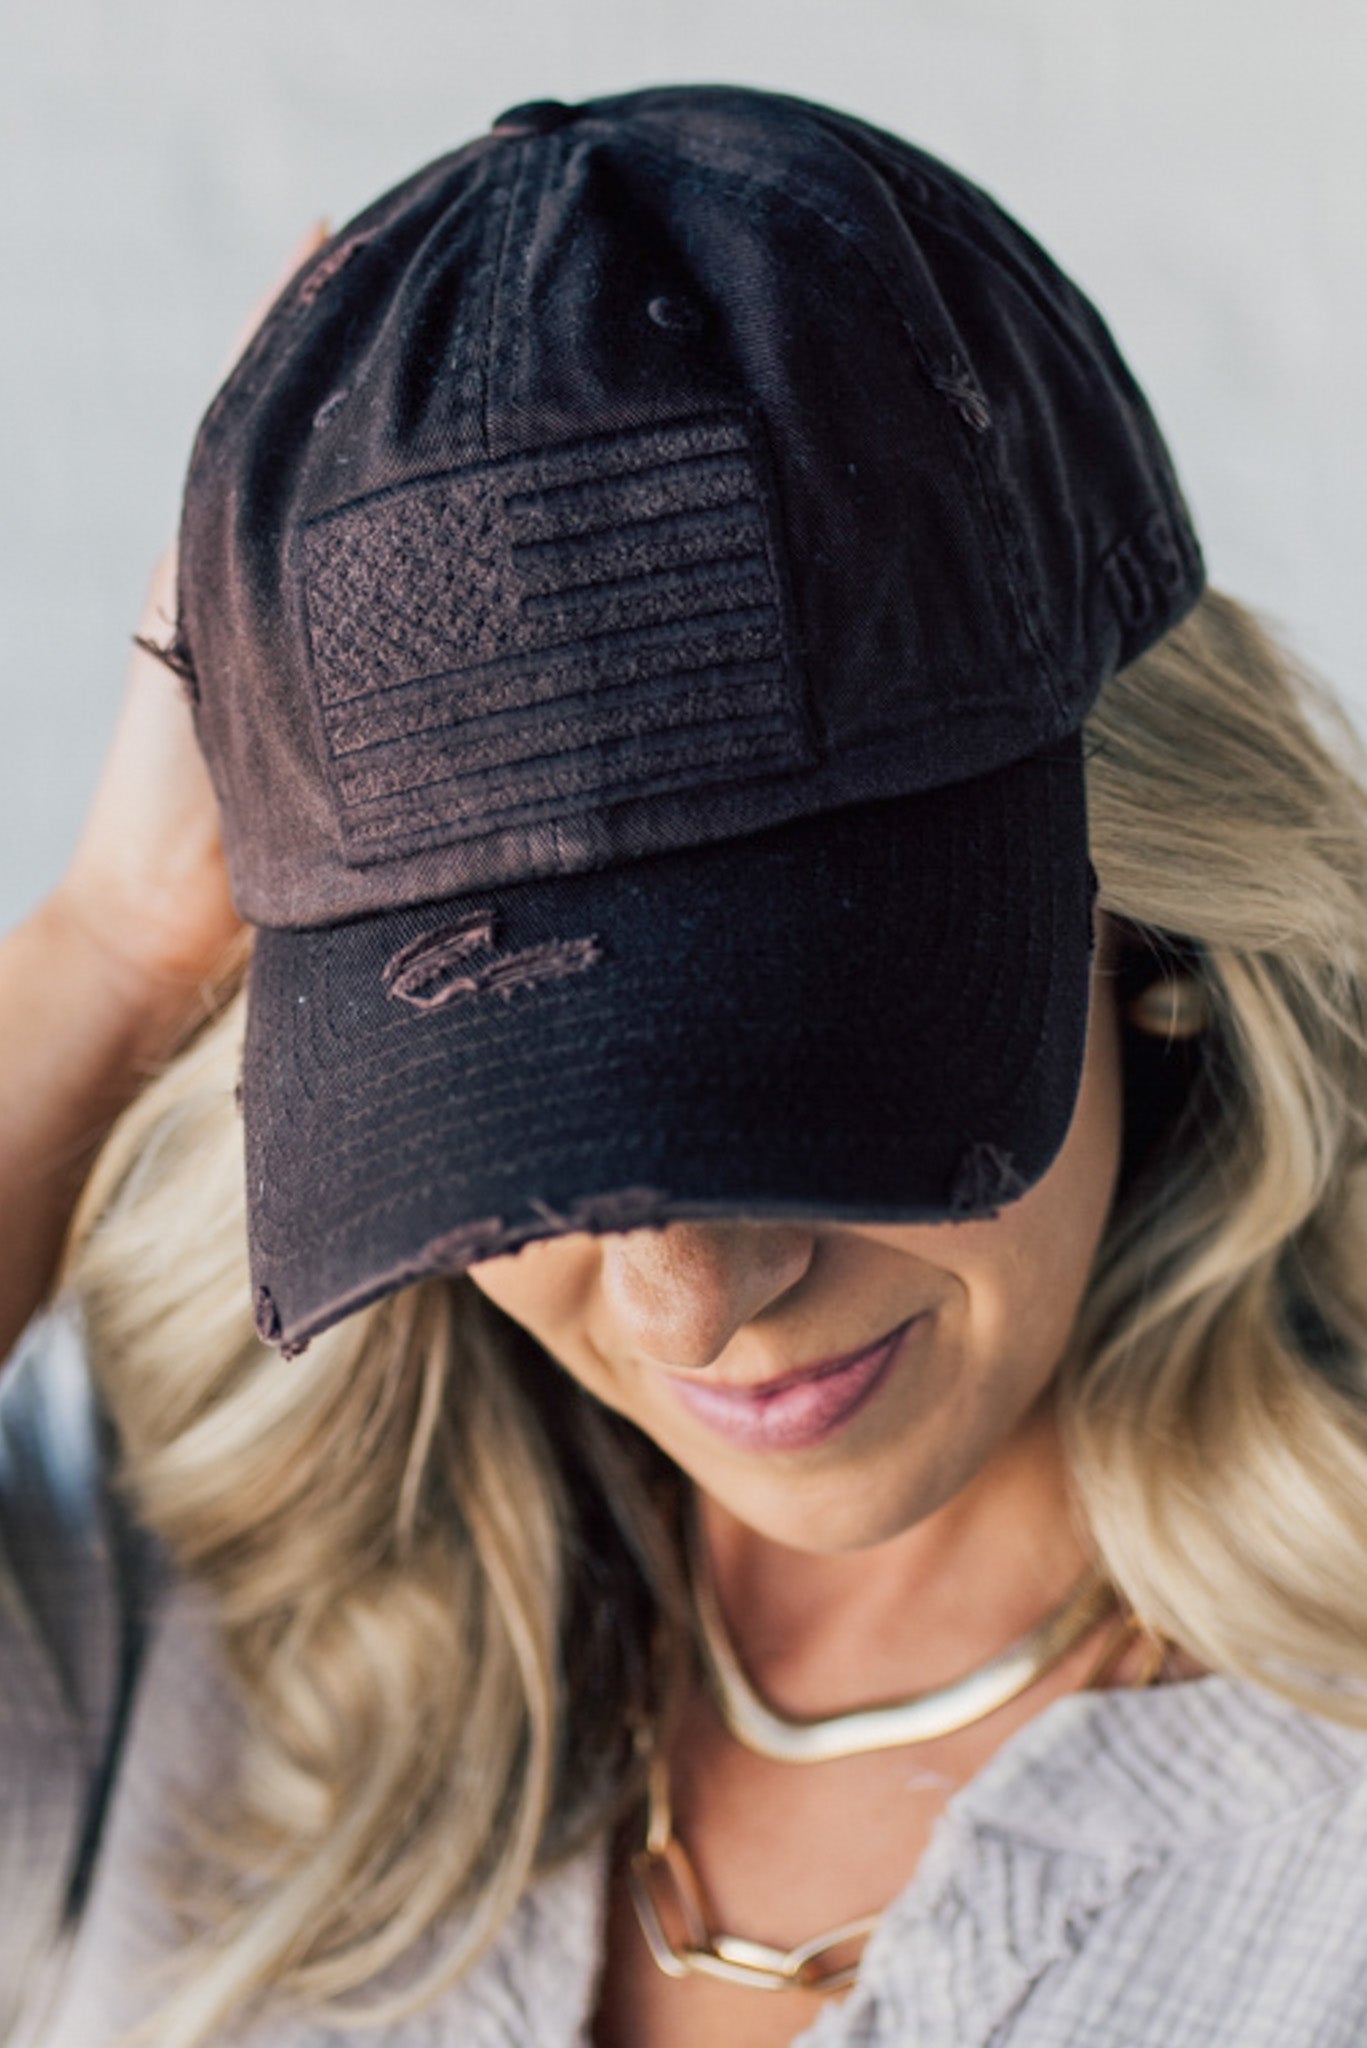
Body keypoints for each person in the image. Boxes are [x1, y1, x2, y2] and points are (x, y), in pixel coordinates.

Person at [5, 81, 1367, 2048]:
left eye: (796, 1083)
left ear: (1145, 928)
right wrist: (114, 945)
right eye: (512, 1126)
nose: (689, 1294)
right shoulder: (220, 1627)